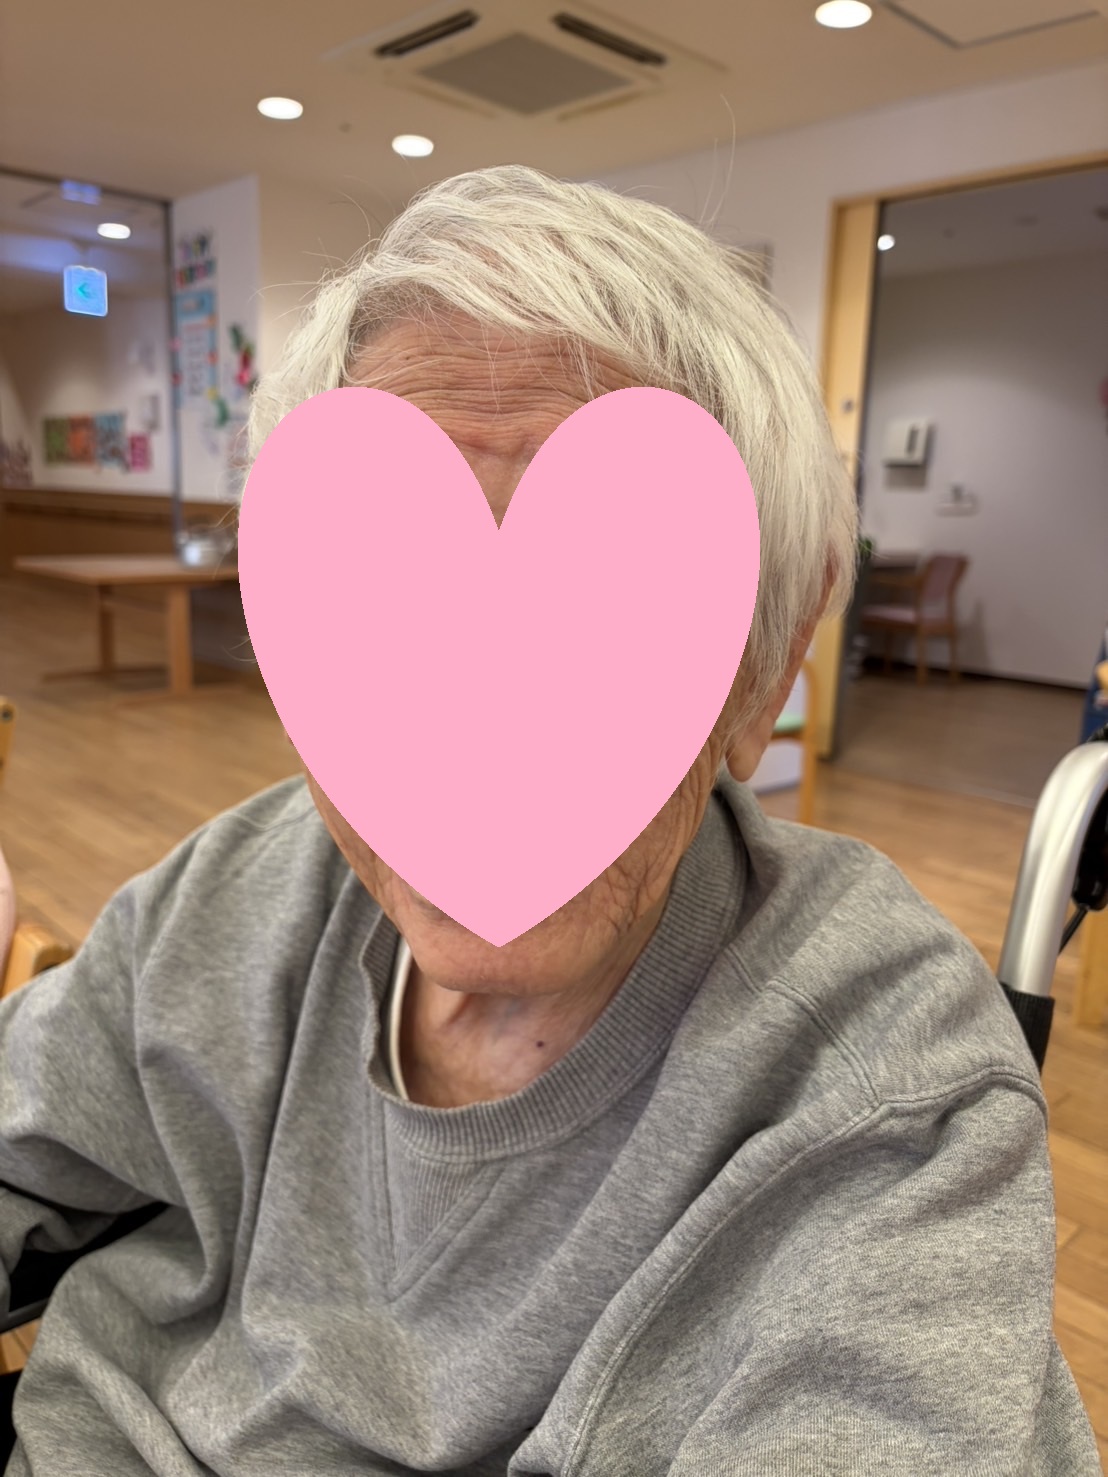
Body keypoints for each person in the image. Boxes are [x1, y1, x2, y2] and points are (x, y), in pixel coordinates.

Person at [0, 166, 1099, 1475]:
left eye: (605, 608)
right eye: (389, 594)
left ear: (760, 671)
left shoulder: (884, 1088)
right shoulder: (233, 894)